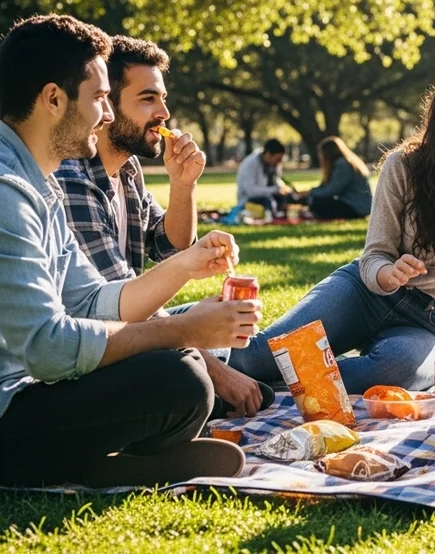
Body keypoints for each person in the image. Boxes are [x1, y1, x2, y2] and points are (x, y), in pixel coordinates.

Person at [0, 15, 261, 488]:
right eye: (99, 98)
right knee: (179, 378)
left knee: (186, 368)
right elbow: (49, 348)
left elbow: (93, 301)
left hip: (8, 398)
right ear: (53, 99)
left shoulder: (39, 181)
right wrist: (182, 329)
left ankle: (103, 464)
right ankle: (103, 462)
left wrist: (186, 264)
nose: (106, 115)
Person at [227, 51, 435, 392]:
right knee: (258, 359)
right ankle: (195, 348)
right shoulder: (403, 165)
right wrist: (390, 273)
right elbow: (374, 255)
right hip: (362, 294)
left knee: (395, 372)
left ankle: (281, 387)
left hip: (429, 323)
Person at [55, 35, 272, 420]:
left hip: (133, 323)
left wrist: (183, 185)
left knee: (219, 320)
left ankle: (236, 372)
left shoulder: (127, 170)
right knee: (194, 365)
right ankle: (227, 380)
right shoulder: (74, 179)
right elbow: (114, 304)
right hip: (94, 342)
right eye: (148, 98)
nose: (164, 113)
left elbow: (169, 246)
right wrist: (216, 369)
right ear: (107, 105)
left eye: (163, 98)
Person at [300, 136, 373, 219]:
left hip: (357, 207)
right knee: (316, 199)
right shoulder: (344, 163)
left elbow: (332, 191)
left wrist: (311, 193)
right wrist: (310, 192)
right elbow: (326, 187)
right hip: (358, 206)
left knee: (317, 202)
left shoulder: (343, 165)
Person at [236, 138, 294, 217]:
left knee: (289, 198)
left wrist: (284, 188)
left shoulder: (274, 165)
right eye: (277, 159)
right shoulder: (250, 164)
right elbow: (251, 191)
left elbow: (276, 180)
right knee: (268, 201)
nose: (279, 163)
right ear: (268, 154)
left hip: (269, 195)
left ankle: (280, 213)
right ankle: (273, 215)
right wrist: (275, 190)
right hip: (249, 200)